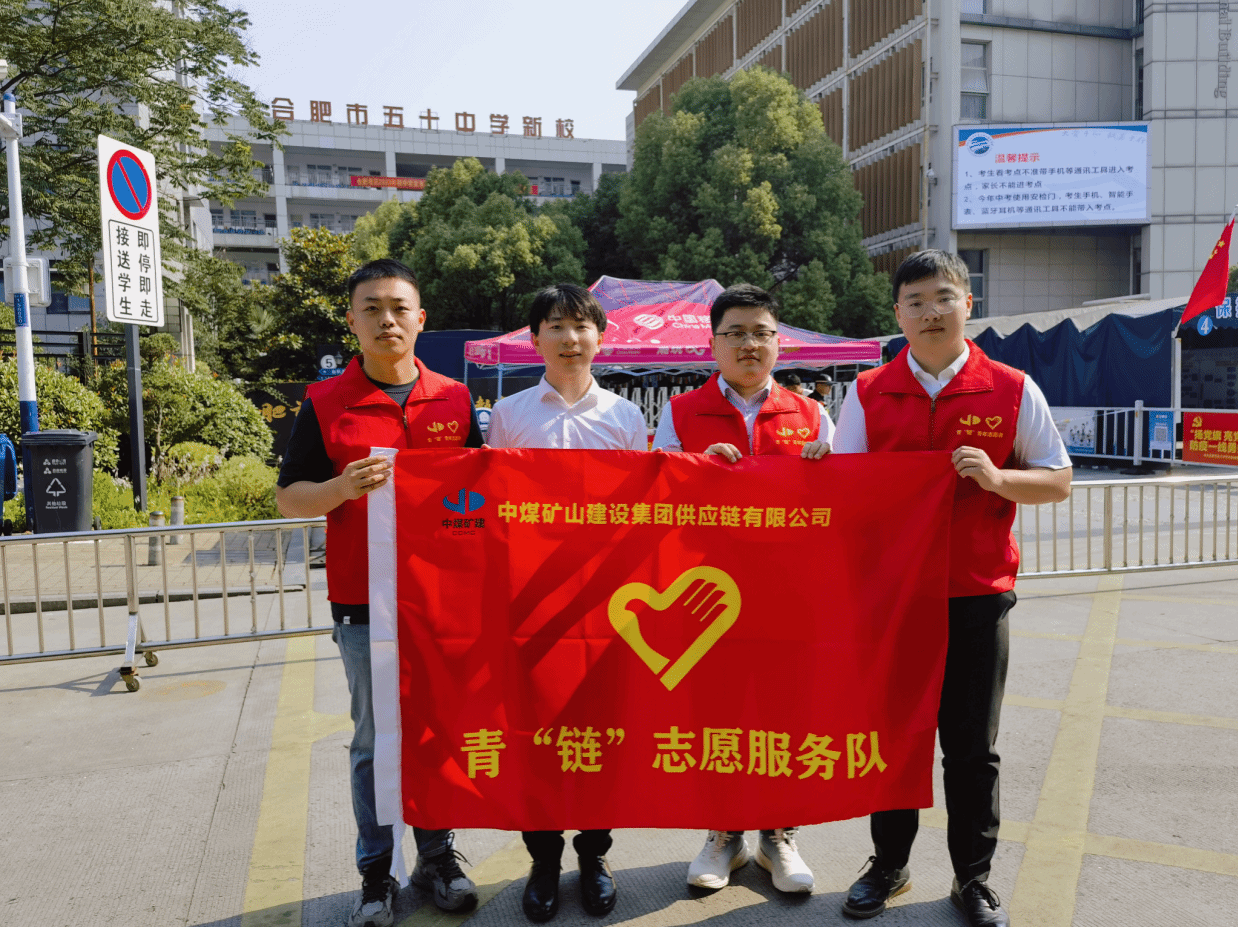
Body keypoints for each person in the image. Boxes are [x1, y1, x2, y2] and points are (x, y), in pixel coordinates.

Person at [832, 250, 1071, 927]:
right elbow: (843, 490)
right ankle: (888, 865)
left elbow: (1057, 479)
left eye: (943, 297)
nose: (930, 311)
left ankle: (974, 878)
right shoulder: (869, 391)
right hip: (894, 599)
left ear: (969, 303)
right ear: (898, 313)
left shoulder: (1012, 388)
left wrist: (998, 479)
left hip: (976, 596)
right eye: (915, 301)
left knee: (971, 749)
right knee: (894, 739)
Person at [275, 259, 482, 927]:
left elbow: (481, 494)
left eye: (399, 308)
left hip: (440, 601)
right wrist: (341, 488)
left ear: (421, 319)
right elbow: (288, 498)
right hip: (363, 603)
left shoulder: (455, 399)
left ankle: (438, 857)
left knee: (436, 733)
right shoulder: (325, 402)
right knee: (373, 740)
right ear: (352, 321)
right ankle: (375, 872)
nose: (387, 320)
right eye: (372, 308)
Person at [652, 282, 832, 895]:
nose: (749, 344)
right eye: (736, 333)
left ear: (780, 343)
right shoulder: (681, 413)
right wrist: (694, 469)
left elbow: (842, 503)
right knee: (718, 716)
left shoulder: (811, 414)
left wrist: (828, 469)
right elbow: (656, 495)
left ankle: (778, 836)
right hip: (708, 596)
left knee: (785, 715)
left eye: (761, 333)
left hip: (789, 595)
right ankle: (723, 834)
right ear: (713, 344)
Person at [486, 283, 647, 921]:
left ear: (600, 338)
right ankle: (544, 860)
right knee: (537, 733)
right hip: (531, 601)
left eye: (581, 326)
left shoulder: (625, 416)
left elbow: (641, 510)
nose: (569, 338)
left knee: (602, 733)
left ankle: (595, 856)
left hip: (606, 603)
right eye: (555, 325)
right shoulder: (510, 414)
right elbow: (495, 505)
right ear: (535, 340)